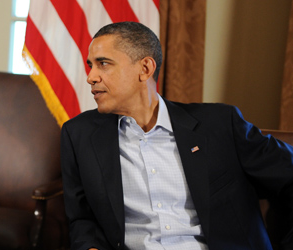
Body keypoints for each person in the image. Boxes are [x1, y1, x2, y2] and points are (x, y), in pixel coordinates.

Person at [60, 21, 293, 250]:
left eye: (103, 64)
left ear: (145, 69)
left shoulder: (220, 124)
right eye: (91, 65)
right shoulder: (79, 134)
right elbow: (82, 219)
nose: (91, 76)